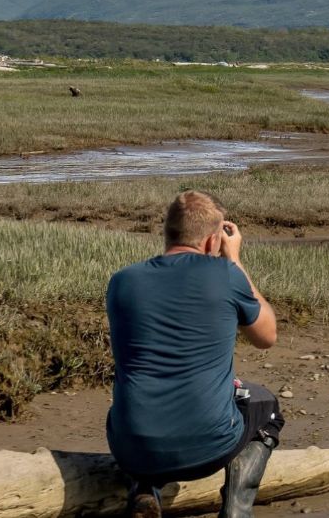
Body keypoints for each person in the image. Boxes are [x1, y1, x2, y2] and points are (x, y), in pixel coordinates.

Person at [106, 190, 284, 518]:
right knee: (267, 408)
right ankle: (237, 509)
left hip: (129, 446)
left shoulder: (122, 281)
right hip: (208, 447)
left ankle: (144, 488)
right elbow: (267, 336)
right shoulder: (226, 276)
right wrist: (234, 261)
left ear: (167, 232)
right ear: (210, 241)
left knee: (144, 404)